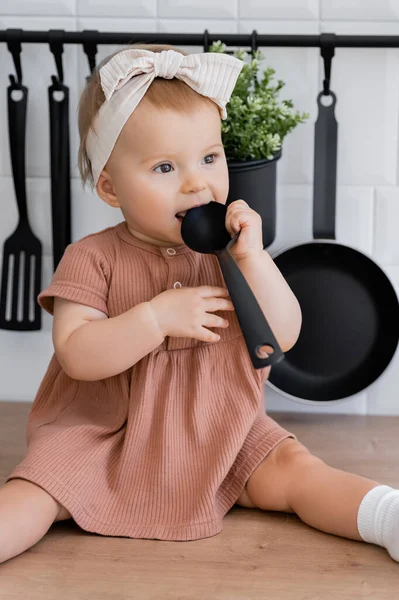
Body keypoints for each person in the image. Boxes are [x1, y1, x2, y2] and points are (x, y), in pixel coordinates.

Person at [0, 43, 398, 565]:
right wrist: (155, 318)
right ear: (110, 186)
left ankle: (385, 516)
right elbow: (77, 352)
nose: (196, 182)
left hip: (220, 429)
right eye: (164, 167)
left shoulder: (230, 253)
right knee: (39, 487)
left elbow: (282, 335)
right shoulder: (92, 257)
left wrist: (253, 259)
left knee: (296, 468)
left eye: (209, 158)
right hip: (105, 436)